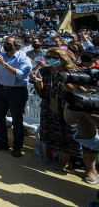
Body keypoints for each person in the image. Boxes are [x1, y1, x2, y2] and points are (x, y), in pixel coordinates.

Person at [31, 47, 92, 179]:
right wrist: (39, 82)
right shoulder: (45, 71)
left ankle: (80, 165)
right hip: (50, 107)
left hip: (67, 108)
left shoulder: (72, 72)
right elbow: (42, 92)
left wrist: (64, 80)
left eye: (55, 58)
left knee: (69, 135)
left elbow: (74, 91)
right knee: (55, 134)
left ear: (63, 59)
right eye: (49, 57)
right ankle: (62, 160)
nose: (50, 60)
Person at [0, 36, 32, 157]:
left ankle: (17, 147)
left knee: (17, 120)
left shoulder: (23, 58)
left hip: (17, 91)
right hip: (1, 89)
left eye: (8, 43)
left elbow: (22, 75)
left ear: (16, 46)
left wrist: (4, 64)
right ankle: (2, 142)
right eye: (4, 43)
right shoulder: (2, 55)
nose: (5, 45)